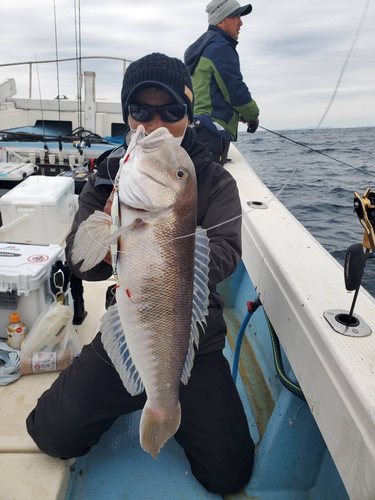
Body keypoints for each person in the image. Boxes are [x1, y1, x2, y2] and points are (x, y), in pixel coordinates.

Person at [26, 53, 255, 495]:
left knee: (230, 472)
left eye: (172, 111)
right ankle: (133, 387)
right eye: (142, 111)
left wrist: (167, 246)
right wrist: (111, 247)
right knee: (50, 433)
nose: (157, 123)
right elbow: (79, 263)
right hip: (127, 326)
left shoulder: (215, 181)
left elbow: (225, 253)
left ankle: (158, 395)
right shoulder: (110, 173)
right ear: (128, 116)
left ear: (188, 115)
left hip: (195, 338)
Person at [184, 0, 260, 165]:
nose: (241, 23)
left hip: (197, 129)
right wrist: (252, 115)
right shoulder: (221, 48)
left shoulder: (204, 46)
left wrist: (235, 115)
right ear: (221, 20)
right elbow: (236, 91)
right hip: (211, 133)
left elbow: (209, 92)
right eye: (236, 17)